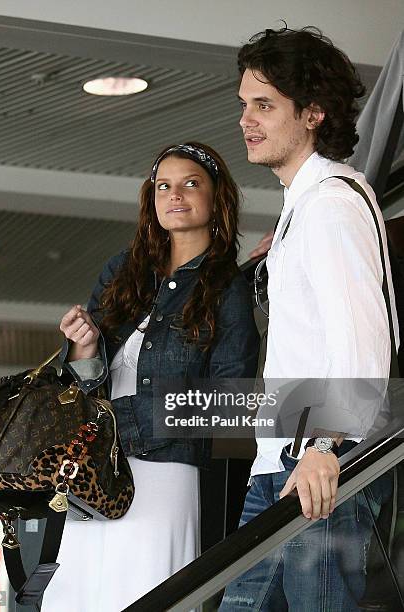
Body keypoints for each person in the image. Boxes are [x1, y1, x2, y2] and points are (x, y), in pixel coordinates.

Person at [220, 26, 399, 611]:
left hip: (322, 460)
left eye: (265, 105)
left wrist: (327, 444)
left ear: (313, 113)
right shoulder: (305, 204)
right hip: (284, 461)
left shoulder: (330, 204)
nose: (247, 119)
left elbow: (361, 338)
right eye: (245, 104)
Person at [41, 142, 260, 612]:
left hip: (167, 475)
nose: (174, 195)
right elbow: (82, 388)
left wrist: (123, 418)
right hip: (98, 470)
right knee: (79, 596)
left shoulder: (227, 289)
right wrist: (83, 349)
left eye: (189, 184)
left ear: (216, 196)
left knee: (143, 592)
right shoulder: (123, 271)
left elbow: (230, 409)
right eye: (164, 186)